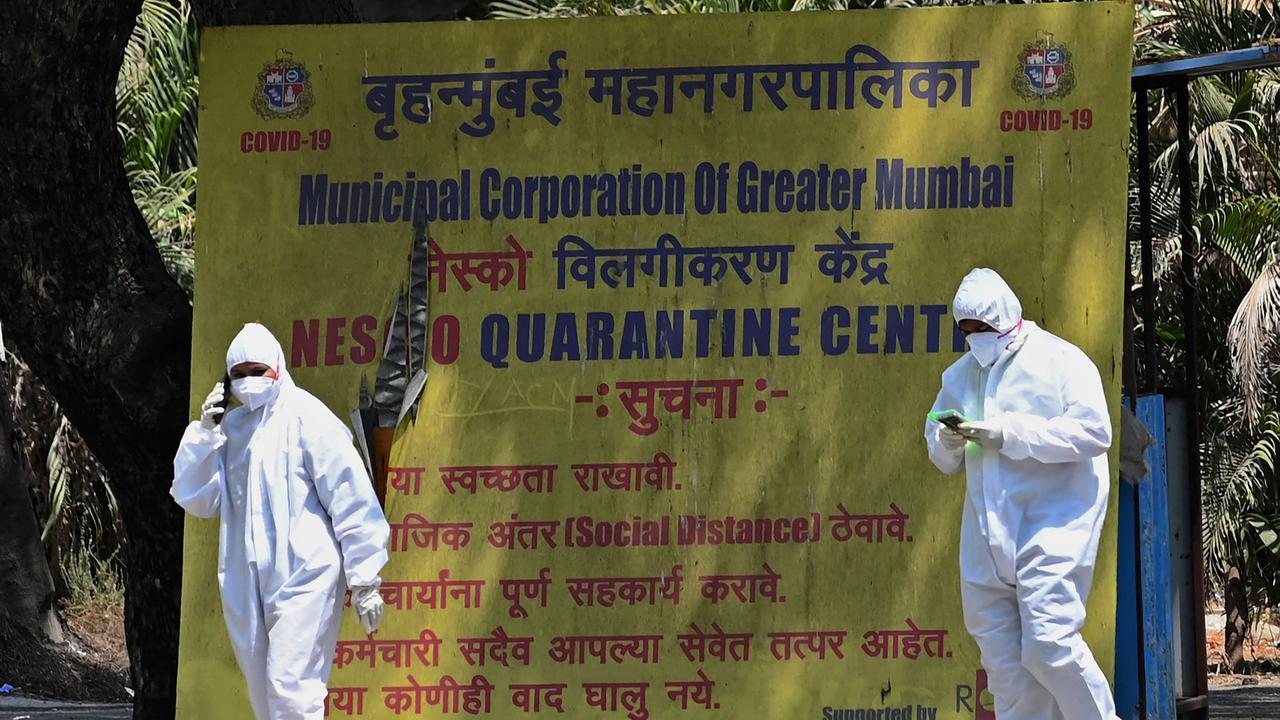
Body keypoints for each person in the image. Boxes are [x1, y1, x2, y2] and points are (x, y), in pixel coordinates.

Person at [924, 268, 1118, 720]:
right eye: (967, 331)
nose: (977, 340)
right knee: (1006, 670)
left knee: (1050, 646)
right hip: (985, 537)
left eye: (984, 329)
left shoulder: (1061, 362)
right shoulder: (960, 376)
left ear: (1007, 318)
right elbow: (941, 455)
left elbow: (1095, 432)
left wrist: (1011, 433)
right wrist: (947, 439)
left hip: (1051, 524)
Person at [171, 323, 391, 720]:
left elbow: (350, 497)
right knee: (265, 696)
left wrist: (365, 579)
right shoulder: (231, 431)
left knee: (291, 690)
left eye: (257, 371)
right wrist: (204, 433)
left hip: (306, 574)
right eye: (238, 375)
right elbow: (199, 499)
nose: (248, 382)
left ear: (277, 366)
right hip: (244, 578)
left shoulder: (309, 418)